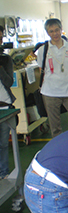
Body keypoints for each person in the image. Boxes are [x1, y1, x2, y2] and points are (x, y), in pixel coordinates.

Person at [37, 18, 68, 137]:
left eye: (57, 30)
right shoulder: (42, 50)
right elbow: (41, 70)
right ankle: (58, 148)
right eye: (51, 31)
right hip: (50, 93)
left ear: (61, 30)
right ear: (47, 33)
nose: (55, 34)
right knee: (55, 126)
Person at [0, 25, 16, 180]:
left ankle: (3, 174)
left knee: (3, 144)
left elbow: (9, 81)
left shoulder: (5, 59)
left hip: (4, 106)